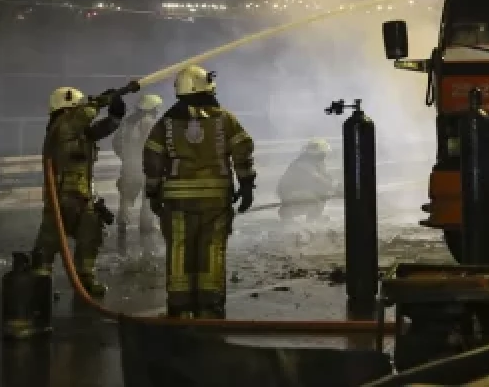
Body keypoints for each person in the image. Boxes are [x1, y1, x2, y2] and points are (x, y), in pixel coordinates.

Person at [143, 65, 255, 319]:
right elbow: (242, 151)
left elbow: (152, 158)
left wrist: (153, 192)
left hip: (177, 202)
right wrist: (246, 185)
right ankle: (209, 307)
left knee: (179, 250)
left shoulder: (166, 122)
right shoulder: (225, 118)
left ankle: (180, 307)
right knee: (212, 249)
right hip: (215, 199)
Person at [32, 84, 130, 297]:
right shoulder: (60, 127)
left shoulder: (78, 134)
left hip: (83, 195)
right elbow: (80, 118)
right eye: (78, 108)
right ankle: (40, 286)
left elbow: (98, 129)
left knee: (91, 235)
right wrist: (99, 101)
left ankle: (85, 278)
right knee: (48, 243)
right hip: (60, 197)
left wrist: (115, 116)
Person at [114, 94, 163, 233]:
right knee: (148, 201)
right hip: (147, 168)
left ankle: (122, 229)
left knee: (126, 199)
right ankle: (147, 233)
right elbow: (157, 146)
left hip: (129, 167)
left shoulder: (126, 122)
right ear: (152, 108)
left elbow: (116, 143)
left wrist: (125, 158)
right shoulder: (151, 123)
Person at [276, 138, 337, 222]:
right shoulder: (303, 163)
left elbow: (325, 177)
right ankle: (291, 214)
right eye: (323, 153)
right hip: (291, 194)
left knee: (323, 192)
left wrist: (332, 183)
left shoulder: (316, 162)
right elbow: (317, 178)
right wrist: (333, 186)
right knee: (322, 194)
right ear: (318, 154)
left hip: (298, 192)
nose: (324, 156)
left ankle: (313, 217)